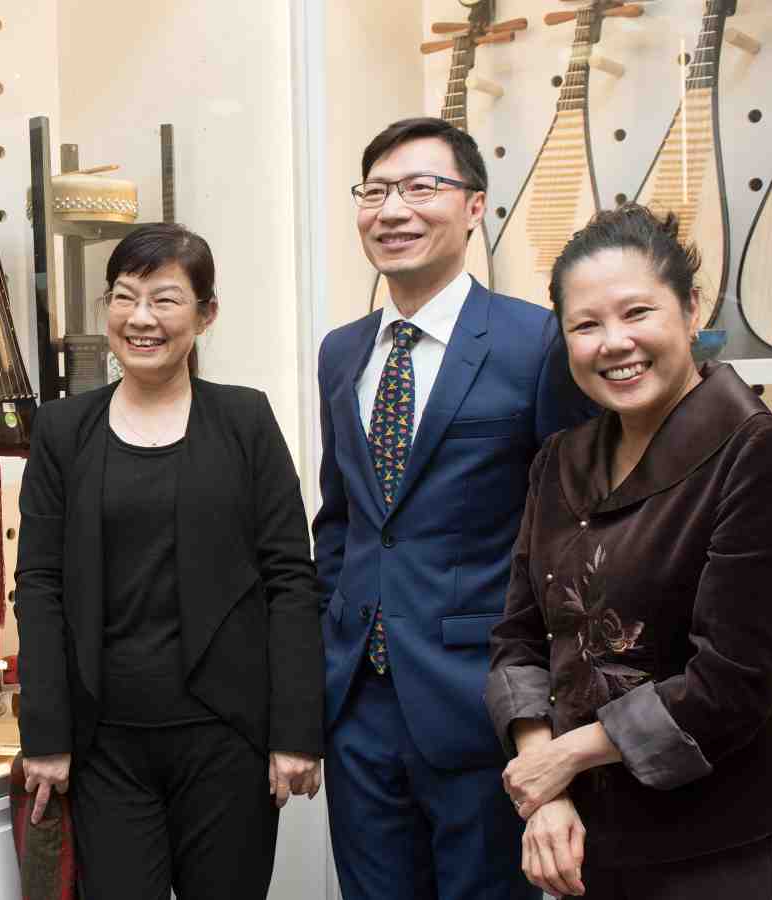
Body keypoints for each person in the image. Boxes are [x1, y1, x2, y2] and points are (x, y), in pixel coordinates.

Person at [486, 204, 772, 899]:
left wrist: (564, 758)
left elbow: (731, 683)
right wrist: (544, 787)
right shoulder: (560, 460)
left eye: (637, 312)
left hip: (715, 846)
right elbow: (518, 639)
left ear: (692, 309)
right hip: (582, 836)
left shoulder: (759, 455)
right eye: (585, 324)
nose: (614, 342)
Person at [313, 116, 595, 900]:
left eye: (420, 187)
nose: (392, 209)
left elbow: (568, 536)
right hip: (358, 706)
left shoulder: (535, 341)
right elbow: (341, 520)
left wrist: (549, 720)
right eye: (374, 191)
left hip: (482, 706)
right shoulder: (342, 351)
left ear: (474, 207)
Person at [14, 223, 324, 899]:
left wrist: (297, 731)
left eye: (165, 299)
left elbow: (290, 579)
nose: (141, 318)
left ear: (205, 314)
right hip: (106, 746)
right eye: (124, 298)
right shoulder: (64, 431)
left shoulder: (245, 422)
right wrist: (44, 732)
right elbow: (37, 585)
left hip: (228, 740)